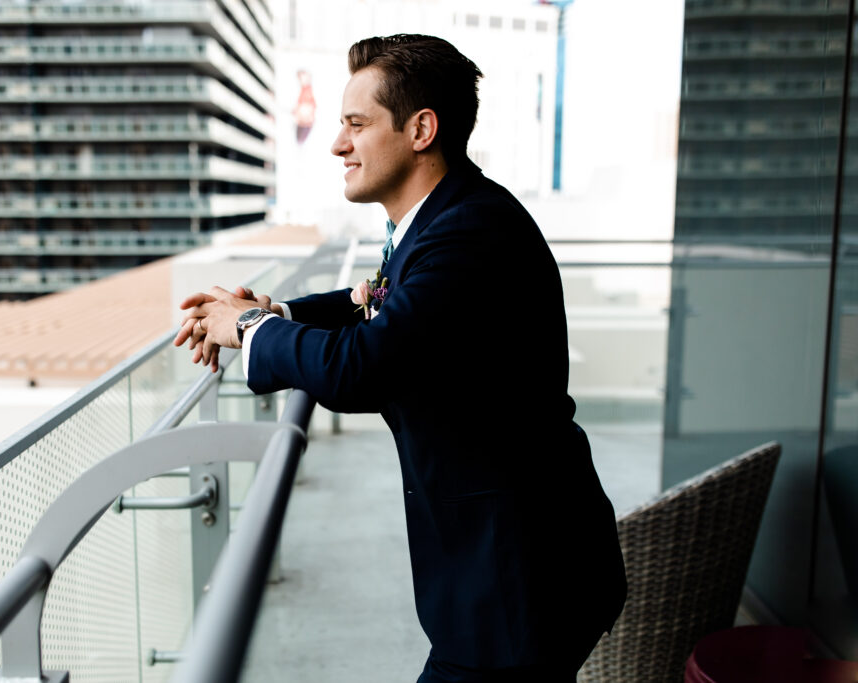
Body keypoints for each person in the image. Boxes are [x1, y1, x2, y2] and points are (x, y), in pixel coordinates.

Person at [175, 34, 626, 683]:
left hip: (518, 577)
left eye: (356, 125)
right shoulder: (445, 218)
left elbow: (364, 365)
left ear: (421, 129)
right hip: (513, 563)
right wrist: (279, 316)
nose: (337, 144)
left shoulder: (468, 232)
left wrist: (246, 327)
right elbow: (386, 307)